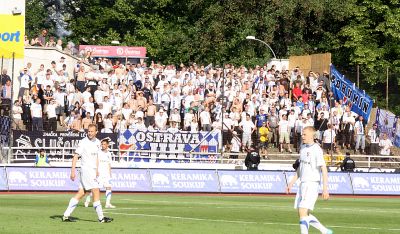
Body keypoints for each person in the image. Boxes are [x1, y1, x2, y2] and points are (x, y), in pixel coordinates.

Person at [62, 124, 113, 223]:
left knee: (81, 193)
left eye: (92, 131)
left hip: (92, 171)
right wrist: (72, 171)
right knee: (96, 191)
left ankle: (65, 215)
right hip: (86, 170)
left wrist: (97, 169)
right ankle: (101, 218)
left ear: (96, 132)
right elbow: (75, 156)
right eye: (88, 131)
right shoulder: (83, 142)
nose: (89, 133)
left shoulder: (98, 142)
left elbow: (96, 157)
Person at [286, 126, 332, 234]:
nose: (302, 136)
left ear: (312, 135)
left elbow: (324, 169)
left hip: (312, 184)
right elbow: (300, 168)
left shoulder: (317, 149)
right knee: (302, 213)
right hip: (302, 184)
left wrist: (325, 189)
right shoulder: (303, 148)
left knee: (302, 211)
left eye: (305, 134)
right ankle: (324, 231)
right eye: (302, 134)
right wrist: (291, 183)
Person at [84, 138, 116, 209]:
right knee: (96, 189)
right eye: (102, 144)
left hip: (106, 174)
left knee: (109, 187)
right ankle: (88, 200)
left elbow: (109, 164)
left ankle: (107, 203)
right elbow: (96, 162)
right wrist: (96, 171)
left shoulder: (109, 153)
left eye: (104, 144)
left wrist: (110, 173)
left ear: (107, 145)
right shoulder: (98, 152)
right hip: (100, 173)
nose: (103, 145)